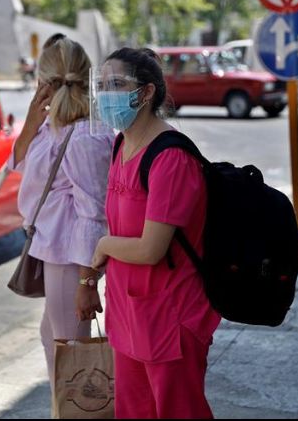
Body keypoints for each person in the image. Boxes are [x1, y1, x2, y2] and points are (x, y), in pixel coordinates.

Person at [88, 47, 221, 419]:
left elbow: (150, 249)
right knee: (133, 411)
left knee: (178, 411)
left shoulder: (170, 157)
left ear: (145, 93)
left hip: (170, 316)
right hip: (127, 310)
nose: (104, 94)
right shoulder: (120, 144)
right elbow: (120, 225)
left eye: (115, 84)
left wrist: (102, 246)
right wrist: (90, 279)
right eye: (101, 85)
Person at [6, 33, 114, 405]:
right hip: (54, 250)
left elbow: (93, 213)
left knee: (73, 358)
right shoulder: (52, 128)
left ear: (46, 82)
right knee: (56, 345)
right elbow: (16, 163)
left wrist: (88, 280)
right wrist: (31, 123)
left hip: (70, 256)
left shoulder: (84, 136)